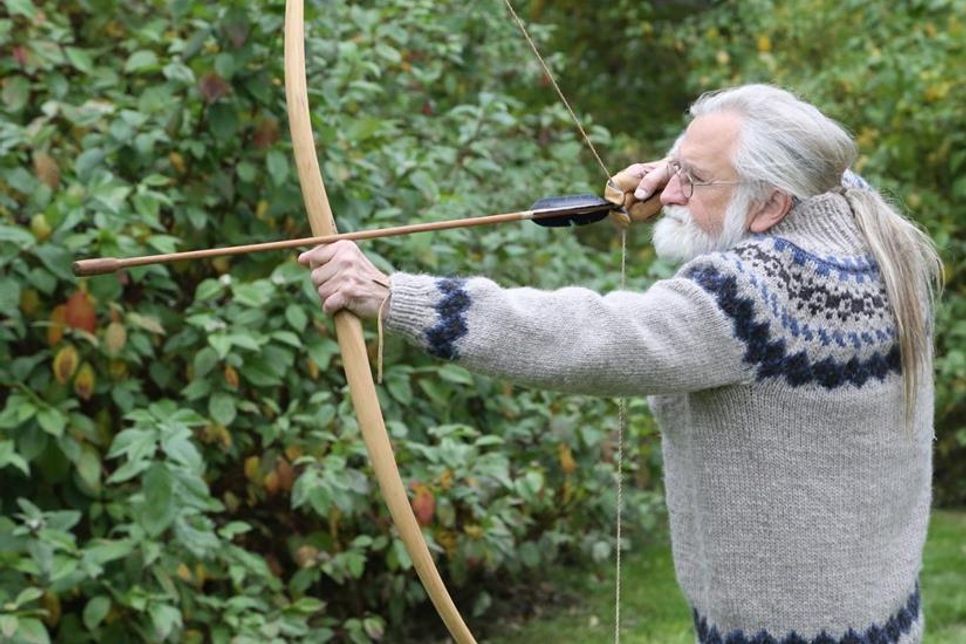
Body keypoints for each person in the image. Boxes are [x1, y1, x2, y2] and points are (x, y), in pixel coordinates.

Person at [298, 84, 942, 643]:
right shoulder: (870, 226)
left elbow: (598, 337)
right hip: (877, 612)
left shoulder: (764, 292)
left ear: (772, 203)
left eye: (696, 180)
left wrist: (395, 297)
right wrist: (679, 170)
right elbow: (830, 167)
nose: (673, 191)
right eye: (678, 169)